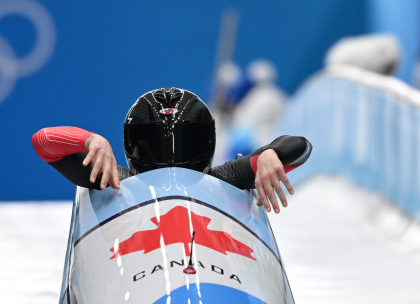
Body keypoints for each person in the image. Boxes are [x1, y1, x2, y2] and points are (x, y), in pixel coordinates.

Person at [32, 88, 311, 213]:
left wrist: (270, 153)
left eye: (185, 142)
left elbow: (298, 146)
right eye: (152, 145)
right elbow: (43, 142)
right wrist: (89, 141)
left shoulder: (228, 177)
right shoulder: (112, 179)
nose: (170, 157)